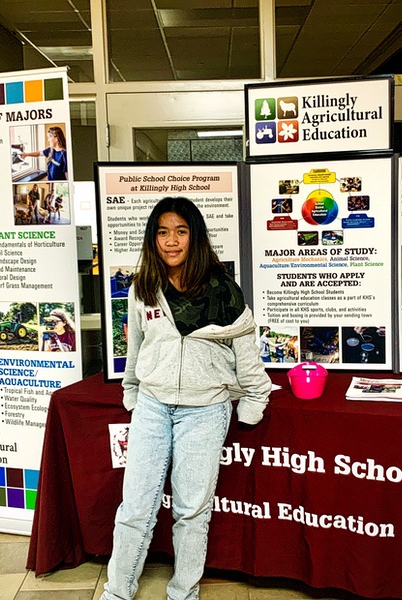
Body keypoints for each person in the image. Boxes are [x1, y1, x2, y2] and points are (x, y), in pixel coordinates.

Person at [102, 197, 271, 600]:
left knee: (191, 512)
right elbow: (137, 347)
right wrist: (131, 393)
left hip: (205, 411)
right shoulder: (143, 287)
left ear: (194, 236)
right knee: (135, 509)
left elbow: (247, 356)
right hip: (153, 407)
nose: (171, 241)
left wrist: (254, 401)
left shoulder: (225, 290)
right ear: (153, 238)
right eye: (162, 232)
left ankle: (183, 592)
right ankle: (117, 591)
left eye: (180, 231)